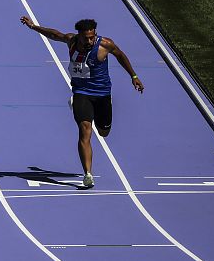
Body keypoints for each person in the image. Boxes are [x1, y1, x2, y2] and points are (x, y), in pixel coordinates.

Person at [19, 16, 143, 189]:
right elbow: (54, 34)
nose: (90, 41)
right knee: (85, 130)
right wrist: (33, 27)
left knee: (103, 132)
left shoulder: (105, 45)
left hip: (103, 94)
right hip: (81, 92)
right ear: (79, 35)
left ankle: (99, 116)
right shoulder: (72, 41)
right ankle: (88, 174)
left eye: (92, 37)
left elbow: (121, 56)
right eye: (86, 38)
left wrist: (134, 76)